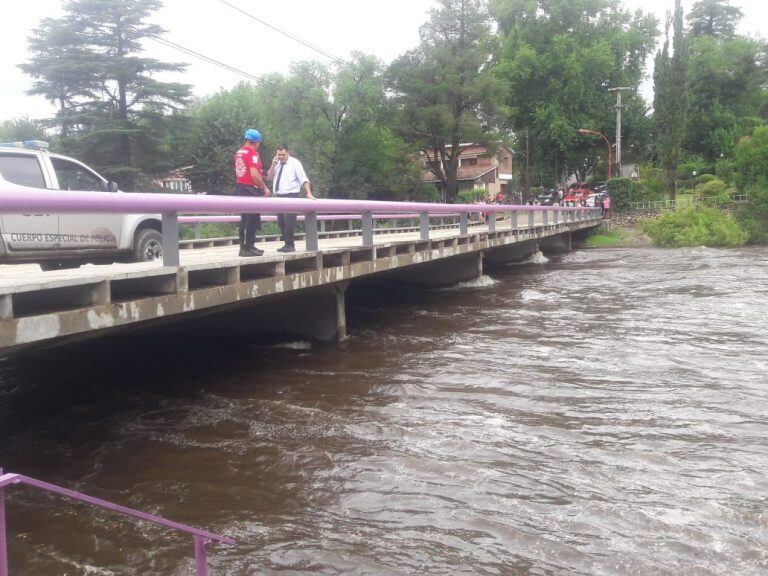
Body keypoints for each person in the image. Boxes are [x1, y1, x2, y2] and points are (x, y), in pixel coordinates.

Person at [268, 144, 315, 253]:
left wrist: (309, 193)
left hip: (291, 196)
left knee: (289, 221)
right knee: (281, 222)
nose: (281, 157)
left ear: (288, 153)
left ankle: (290, 244)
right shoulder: (277, 163)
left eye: (283, 154)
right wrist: (273, 164)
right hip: (279, 197)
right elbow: (269, 177)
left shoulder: (295, 163)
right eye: (279, 154)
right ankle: (286, 243)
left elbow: (304, 178)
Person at [234, 128, 270, 257]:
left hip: (240, 187)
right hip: (250, 188)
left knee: (244, 218)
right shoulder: (252, 154)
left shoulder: (239, 152)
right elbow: (254, 175)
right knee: (252, 219)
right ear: (257, 142)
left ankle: (246, 247)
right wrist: (265, 188)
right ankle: (248, 247)